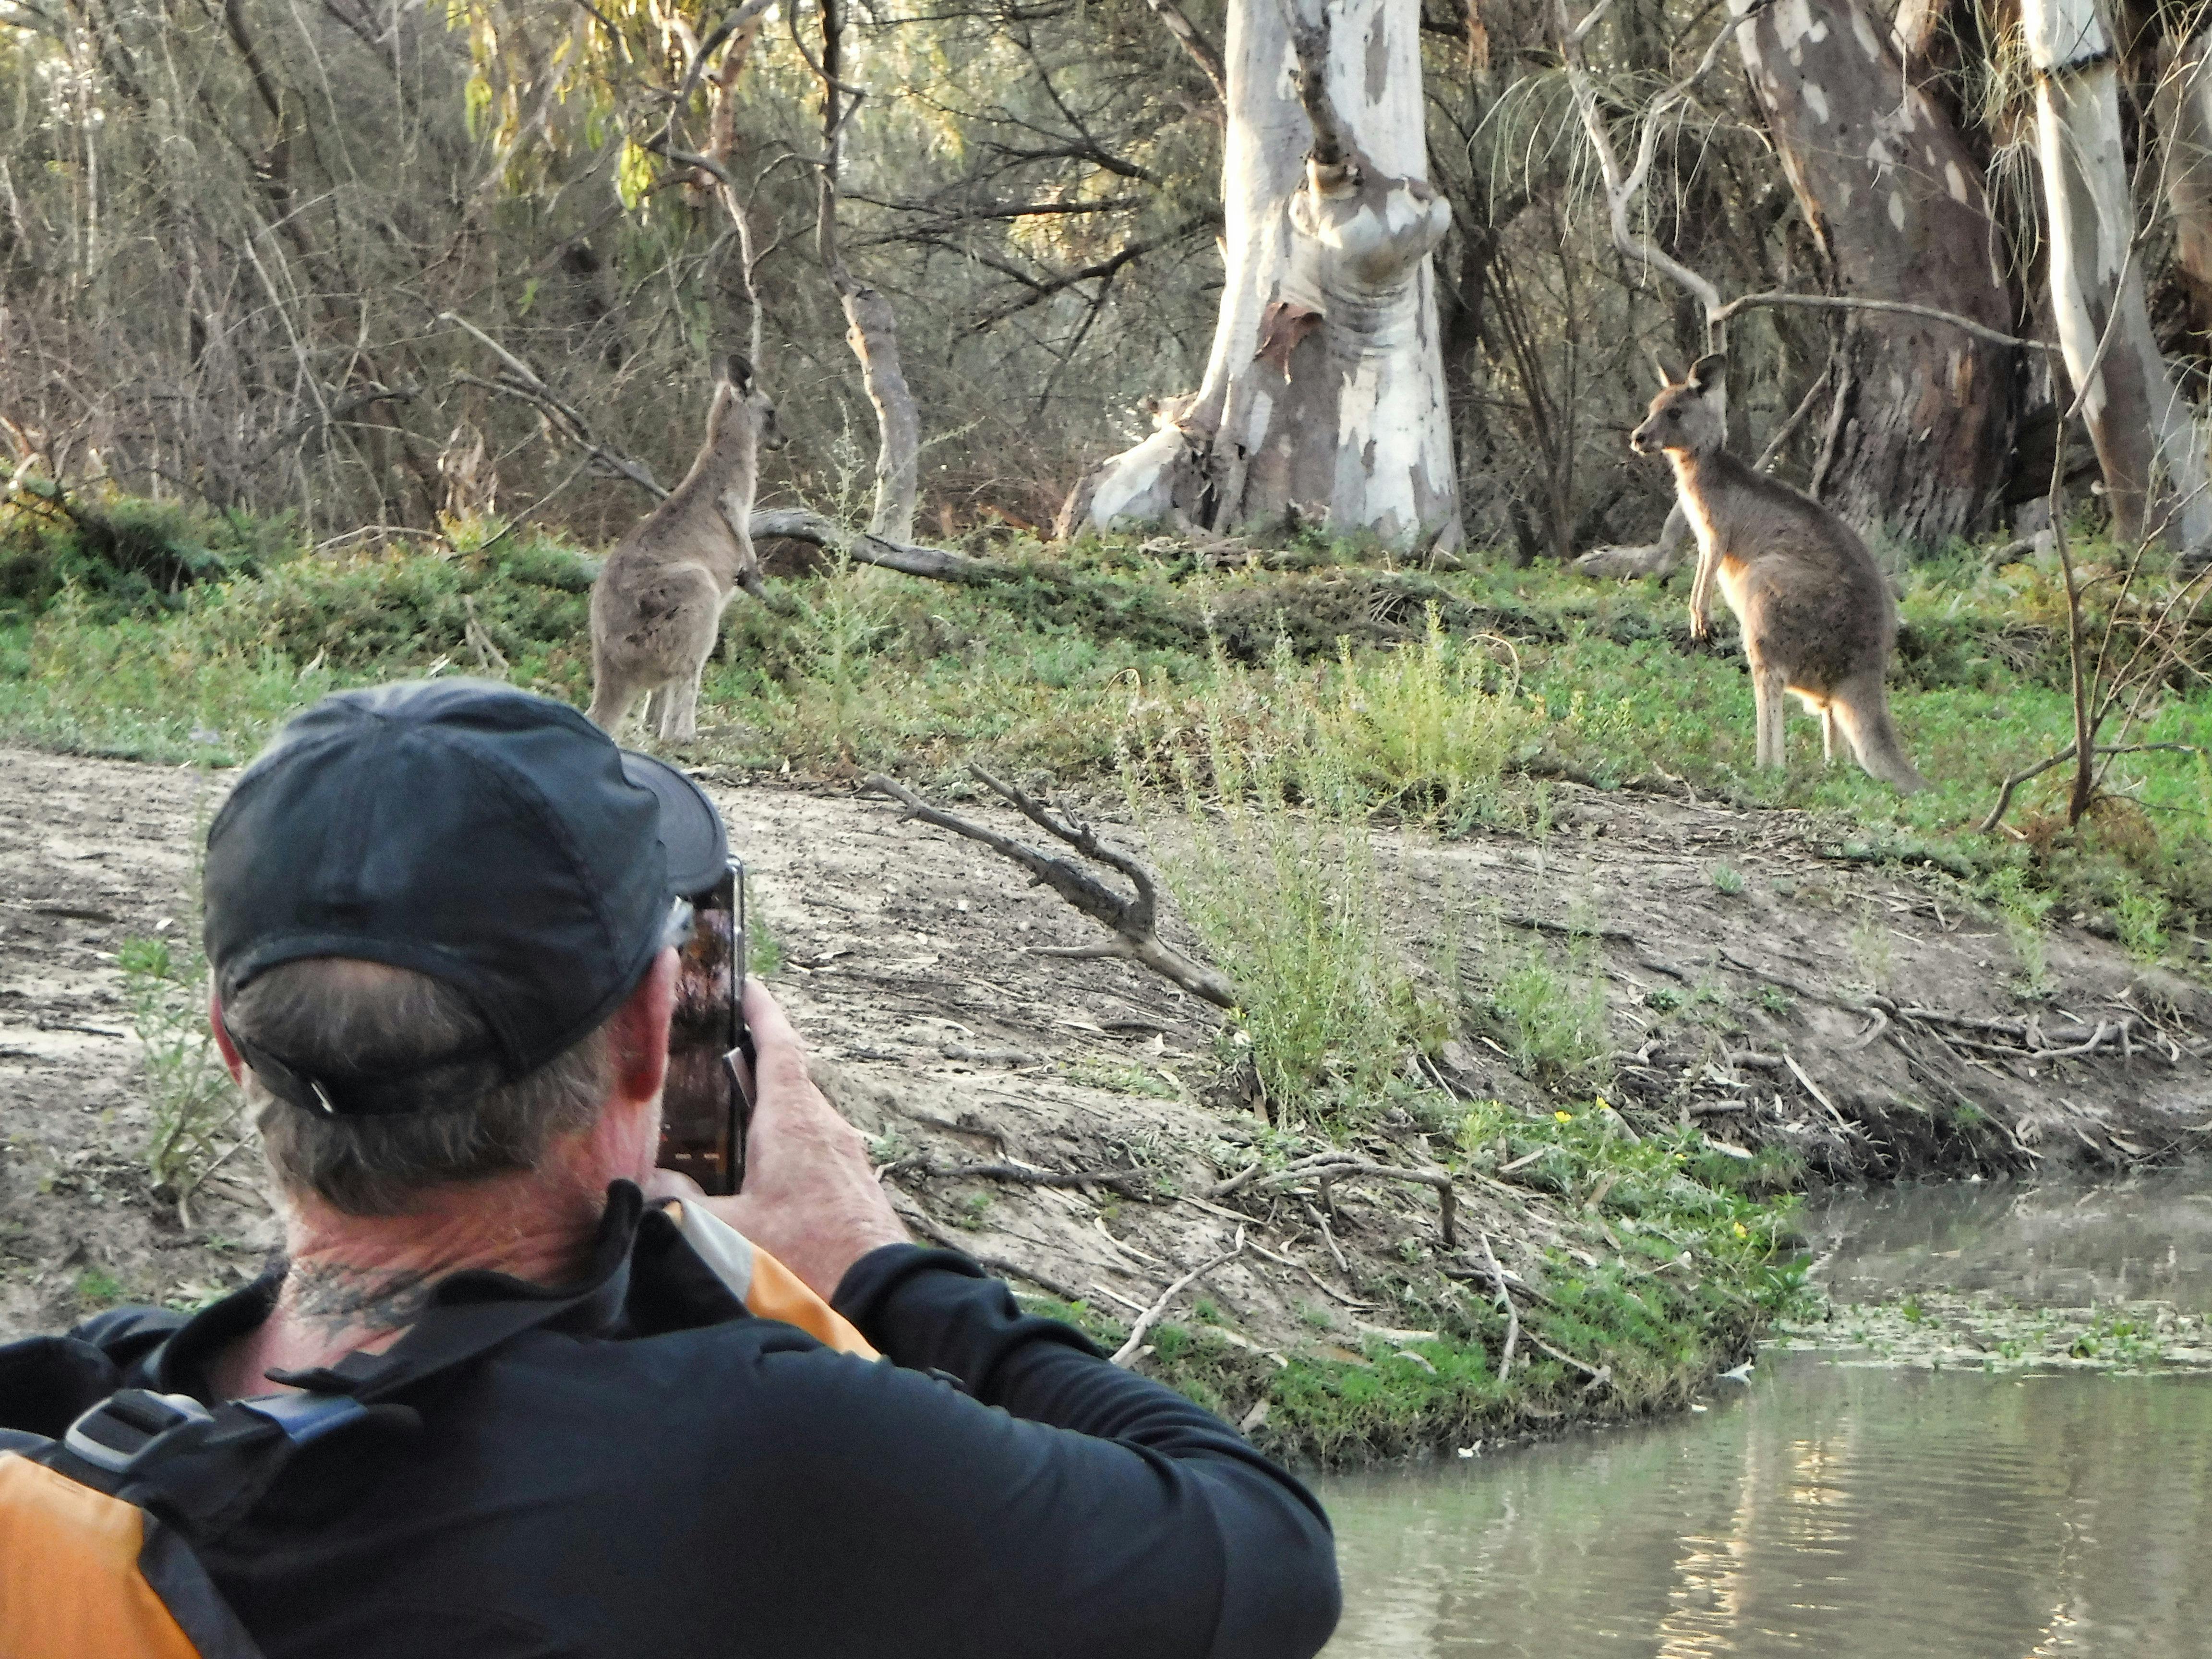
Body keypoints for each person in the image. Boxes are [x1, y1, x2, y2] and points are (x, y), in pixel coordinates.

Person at [0, 680, 1340, 1659]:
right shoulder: (760, 1453)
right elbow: (1262, 1554)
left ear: (231, 1048)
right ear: (656, 1031)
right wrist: (873, 1263)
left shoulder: (75, 1433)